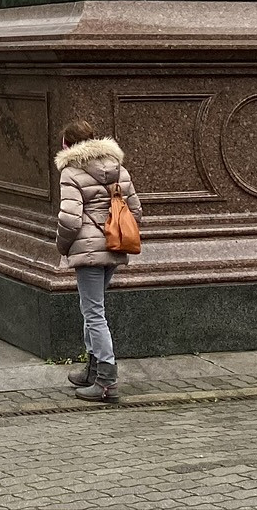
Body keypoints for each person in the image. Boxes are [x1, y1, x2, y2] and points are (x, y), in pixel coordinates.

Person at [54, 118, 143, 403]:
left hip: (88, 250)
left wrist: (63, 247)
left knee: (94, 313)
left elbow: (69, 219)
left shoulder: (71, 171)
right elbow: (136, 211)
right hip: (114, 246)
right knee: (91, 306)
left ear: (68, 145)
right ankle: (93, 369)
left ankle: (106, 381)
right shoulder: (119, 168)